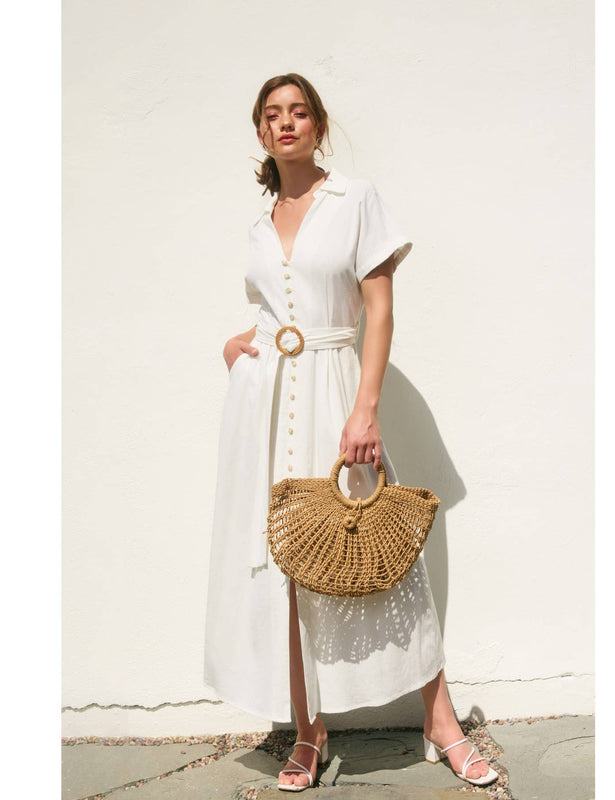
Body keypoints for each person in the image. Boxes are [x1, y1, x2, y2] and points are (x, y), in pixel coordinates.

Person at [203, 73, 498, 791]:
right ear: (261, 131)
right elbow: (279, 312)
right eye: (272, 114)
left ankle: (441, 722)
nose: (286, 123)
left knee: (384, 560)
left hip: (337, 394)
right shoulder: (259, 221)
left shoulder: (355, 199)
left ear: (318, 124)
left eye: (298, 111)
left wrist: (364, 409)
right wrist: (238, 345)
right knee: (288, 571)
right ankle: (308, 733)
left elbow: (377, 309)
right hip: (266, 412)